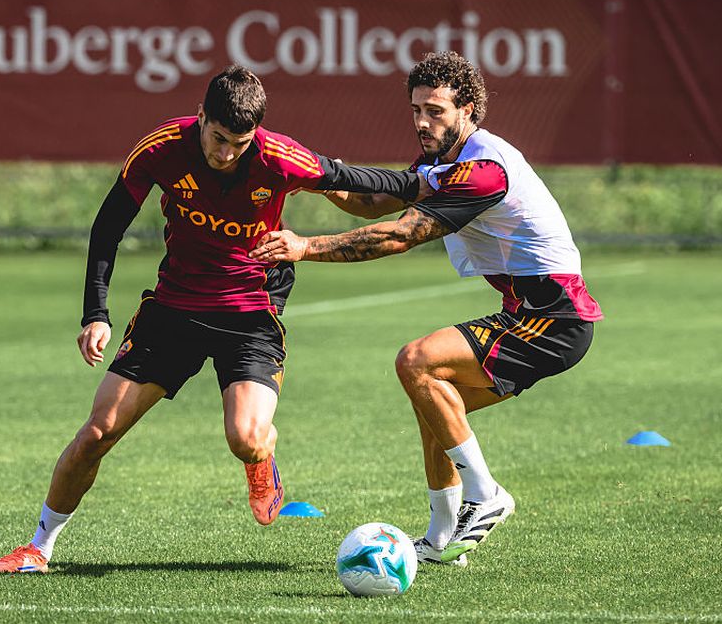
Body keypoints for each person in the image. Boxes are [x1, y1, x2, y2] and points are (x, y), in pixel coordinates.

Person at [0, 65, 424, 573]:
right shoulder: (160, 148)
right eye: (218, 139)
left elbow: (353, 179)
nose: (226, 153)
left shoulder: (278, 157)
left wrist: (425, 183)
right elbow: (108, 227)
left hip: (249, 313)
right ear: (201, 118)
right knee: (97, 433)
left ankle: (262, 462)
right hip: (174, 308)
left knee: (246, 438)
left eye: (239, 143)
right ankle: (39, 548)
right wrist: (96, 313)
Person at [249, 51, 603, 566]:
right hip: (535, 313)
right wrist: (307, 173)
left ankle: (486, 496)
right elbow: (374, 203)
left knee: (416, 361)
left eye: (435, 110)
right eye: (416, 108)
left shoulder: (482, 170)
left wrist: (307, 246)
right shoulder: (441, 160)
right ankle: (441, 540)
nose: (422, 121)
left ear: (469, 110)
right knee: (435, 404)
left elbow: (400, 234)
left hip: (553, 318)